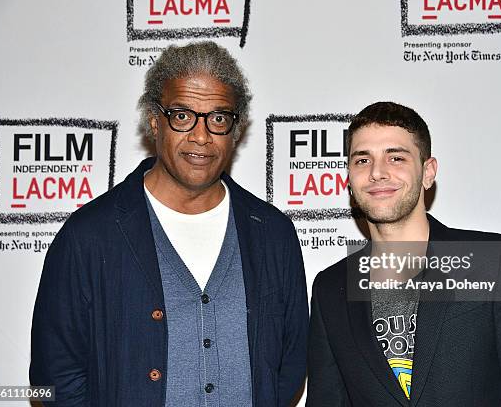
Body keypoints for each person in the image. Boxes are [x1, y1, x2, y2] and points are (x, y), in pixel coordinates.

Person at [30, 41, 308, 407]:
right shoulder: (89, 236)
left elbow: (289, 367)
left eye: (218, 118)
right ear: (154, 122)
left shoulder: (272, 233)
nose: (201, 135)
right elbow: (53, 380)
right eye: (182, 116)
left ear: (235, 130)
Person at [306, 102, 501, 406]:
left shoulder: (491, 261)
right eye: (363, 160)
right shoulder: (330, 288)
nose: (377, 172)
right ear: (348, 176)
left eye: (396, 157)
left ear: (427, 172)